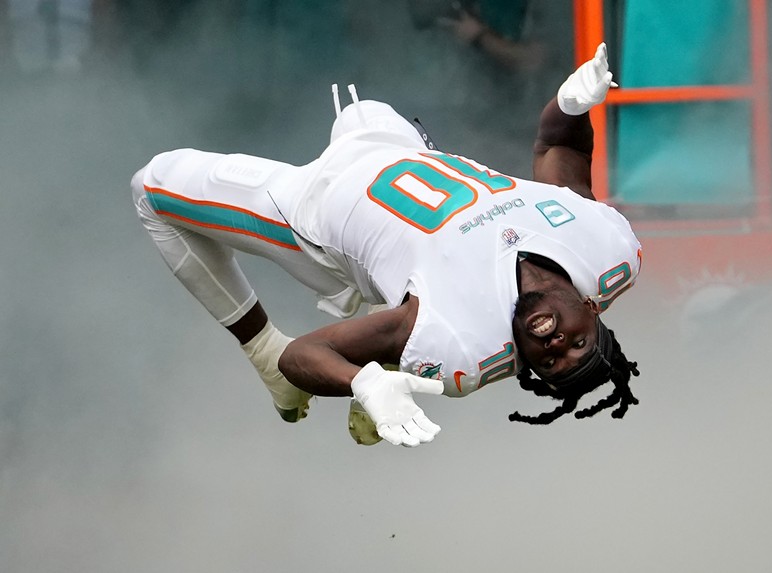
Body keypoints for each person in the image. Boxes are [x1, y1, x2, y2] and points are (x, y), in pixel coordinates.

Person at [131, 43, 642, 448]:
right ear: (592, 306)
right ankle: (393, 352)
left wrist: (360, 384)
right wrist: (571, 104)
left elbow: (304, 354)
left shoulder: (466, 343)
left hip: (316, 212)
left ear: (523, 362)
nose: (556, 347)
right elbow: (559, 146)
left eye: (549, 364)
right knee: (368, 110)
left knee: (150, 187)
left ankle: (280, 352)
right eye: (577, 344)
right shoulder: (605, 248)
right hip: (405, 150)